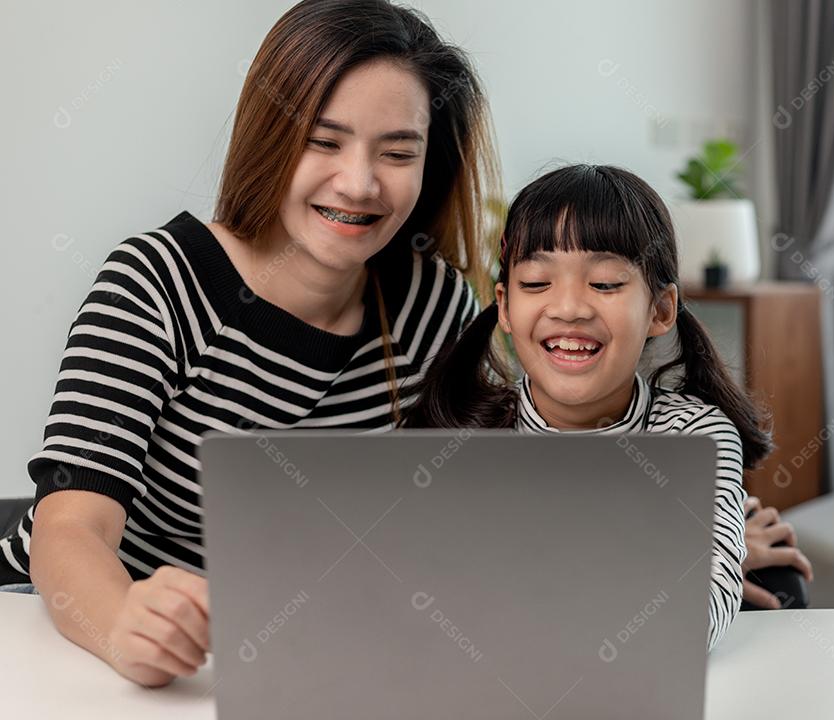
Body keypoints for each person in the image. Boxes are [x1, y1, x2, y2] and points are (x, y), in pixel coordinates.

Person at [0, 0, 500, 687]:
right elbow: (69, 528)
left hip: (285, 654)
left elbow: (463, 524)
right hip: (72, 638)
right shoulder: (158, 283)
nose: (359, 183)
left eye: (397, 152)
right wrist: (125, 627)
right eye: (324, 141)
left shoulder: (434, 307)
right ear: (271, 136)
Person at [403, 164, 774, 650]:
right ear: (506, 308)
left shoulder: (696, 436)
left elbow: (698, 605)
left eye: (604, 284)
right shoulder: (461, 438)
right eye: (536, 283)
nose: (570, 308)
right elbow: (436, 598)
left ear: (660, 310)